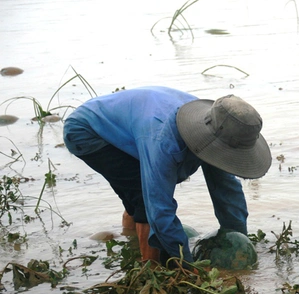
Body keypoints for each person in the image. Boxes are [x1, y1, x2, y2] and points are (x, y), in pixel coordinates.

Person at [63, 86, 272, 264]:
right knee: (143, 199)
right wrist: (186, 267)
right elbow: (159, 208)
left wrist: (236, 239)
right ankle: (150, 268)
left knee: (140, 195)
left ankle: (132, 240)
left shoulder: (220, 125)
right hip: (88, 130)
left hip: (134, 125)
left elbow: (226, 189)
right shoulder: (164, 142)